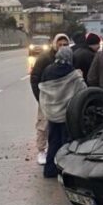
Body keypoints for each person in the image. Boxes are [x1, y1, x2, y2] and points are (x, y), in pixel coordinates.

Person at [37, 46, 86, 178]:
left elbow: (43, 87)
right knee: (66, 143)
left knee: (53, 142)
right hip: (66, 115)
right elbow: (82, 91)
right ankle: (64, 172)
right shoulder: (72, 72)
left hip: (51, 114)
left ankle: (49, 170)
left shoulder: (48, 70)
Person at [30, 33, 70, 164]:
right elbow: (35, 78)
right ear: (55, 44)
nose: (62, 47)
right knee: (43, 124)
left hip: (62, 98)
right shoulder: (44, 58)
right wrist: (39, 97)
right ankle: (41, 151)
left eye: (65, 44)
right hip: (46, 97)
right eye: (60, 44)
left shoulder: (69, 57)